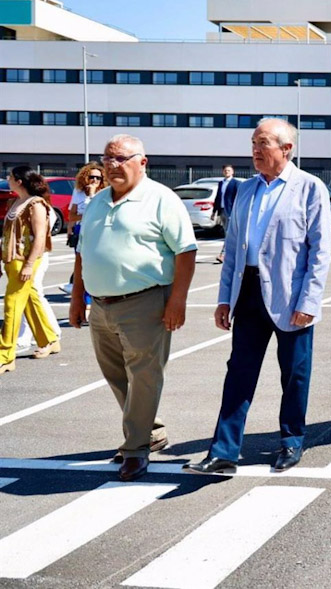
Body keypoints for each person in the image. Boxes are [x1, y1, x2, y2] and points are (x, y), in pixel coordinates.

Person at [186, 118, 331, 475]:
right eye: (253, 142)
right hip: (247, 292)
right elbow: (233, 248)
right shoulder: (245, 190)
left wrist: (308, 302)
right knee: (239, 372)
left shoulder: (309, 188)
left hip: (290, 295)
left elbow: (320, 252)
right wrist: (224, 299)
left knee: (294, 374)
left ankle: (291, 441)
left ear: (286, 149)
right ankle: (223, 452)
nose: (255, 149)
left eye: (263, 143)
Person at [69, 135, 197, 481]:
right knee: (117, 375)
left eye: (120, 159)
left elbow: (185, 251)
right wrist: (77, 296)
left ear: (142, 161)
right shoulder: (97, 203)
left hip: (145, 303)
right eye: (107, 159)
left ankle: (136, 449)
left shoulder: (161, 199)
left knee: (143, 376)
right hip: (101, 305)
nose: (111, 166)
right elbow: (83, 252)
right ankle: (149, 431)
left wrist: (177, 301)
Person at [2, 166, 61, 373]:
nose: (7, 179)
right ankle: (49, 338)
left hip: (26, 259)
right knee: (29, 298)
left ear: (19, 181)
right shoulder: (15, 202)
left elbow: (40, 237)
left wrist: (28, 264)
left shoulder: (36, 204)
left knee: (12, 303)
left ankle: (5, 355)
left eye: (9, 177)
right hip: (12, 259)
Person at [16, 202, 63, 358]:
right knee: (28, 294)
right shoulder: (18, 203)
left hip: (35, 255)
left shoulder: (39, 205)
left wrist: (29, 262)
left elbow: (42, 234)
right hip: (21, 254)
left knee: (32, 293)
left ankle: (42, 335)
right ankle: (51, 333)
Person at [60, 162, 104, 295]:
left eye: (98, 178)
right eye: (92, 177)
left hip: (97, 231)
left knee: (94, 263)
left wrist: (91, 195)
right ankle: (81, 292)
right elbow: (72, 215)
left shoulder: (104, 193)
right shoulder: (78, 192)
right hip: (81, 230)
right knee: (81, 261)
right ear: (85, 177)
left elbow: (100, 214)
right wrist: (70, 230)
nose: (95, 180)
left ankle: (92, 293)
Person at [213, 164, 240, 264]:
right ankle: (233, 254)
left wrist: (236, 211)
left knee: (228, 233)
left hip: (231, 212)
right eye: (225, 170)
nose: (227, 172)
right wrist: (214, 212)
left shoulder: (236, 183)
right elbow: (218, 197)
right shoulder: (221, 183)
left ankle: (223, 254)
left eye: (229, 170)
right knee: (227, 233)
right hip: (222, 211)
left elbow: (238, 198)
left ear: (232, 172)